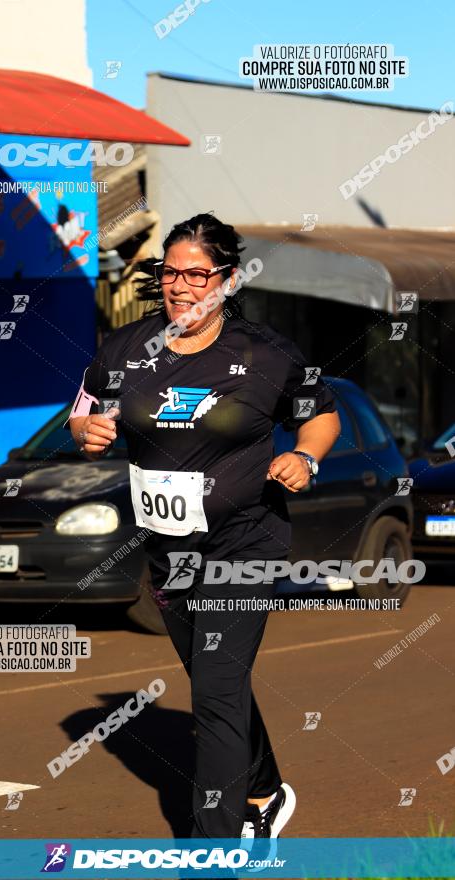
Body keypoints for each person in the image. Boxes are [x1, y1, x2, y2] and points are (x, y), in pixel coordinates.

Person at [69, 213, 341, 842]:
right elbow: (81, 411)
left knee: (215, 691)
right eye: (171, 273)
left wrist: (304, 456)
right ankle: (268, 790)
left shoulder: (266, 354)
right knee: (216, 682)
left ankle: (213, 848)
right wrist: (87, 432)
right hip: (170, 552)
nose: (181, 286)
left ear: (228, 279)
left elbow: (320, 417)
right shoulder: (124, 348)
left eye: (197, 274)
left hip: (244, 543)